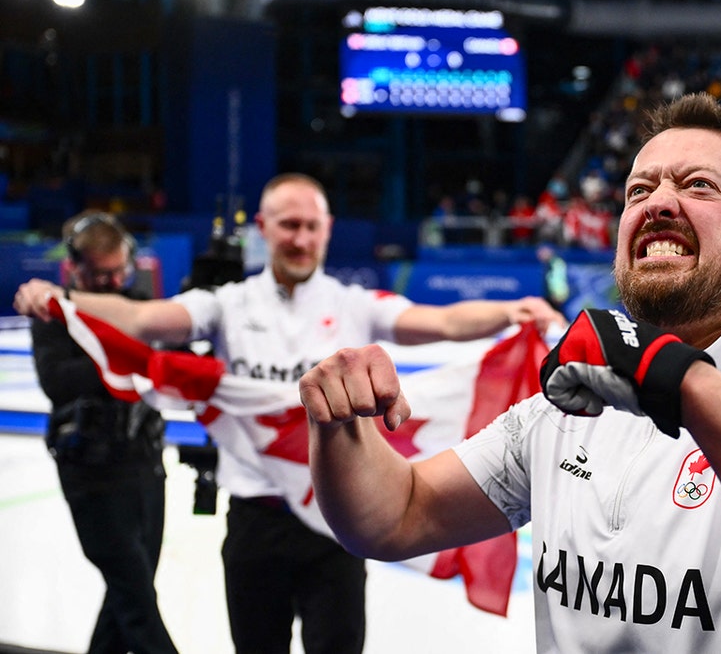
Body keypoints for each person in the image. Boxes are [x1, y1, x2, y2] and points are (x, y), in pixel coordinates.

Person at [299, 94, 721, 653]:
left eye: (698, 185)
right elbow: (395, 516)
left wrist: (687, 385)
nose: (658, 202)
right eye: (639, 190)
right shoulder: (566, 405)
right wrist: (340, 426)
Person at [14, 173, 565, 654]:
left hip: (339, 525)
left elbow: (441, 322)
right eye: (288, 225)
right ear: (263, 227)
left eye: (310, 226)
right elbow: (145, 320)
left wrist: (510, 310)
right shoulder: (227, 303)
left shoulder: (353, 304)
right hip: (255, 522)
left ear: (328, 229)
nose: (300, 239)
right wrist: (62, 300)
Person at [31, 212, 177, 654]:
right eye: (100, 275)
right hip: (91, 474)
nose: (113, 283)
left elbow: (171, 359)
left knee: (129, 594)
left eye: (119, 271)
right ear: (74, 267)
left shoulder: (139, 305)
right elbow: (58, 382)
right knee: (135, 599)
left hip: (145, 465)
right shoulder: (53, 313)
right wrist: (123, 358)